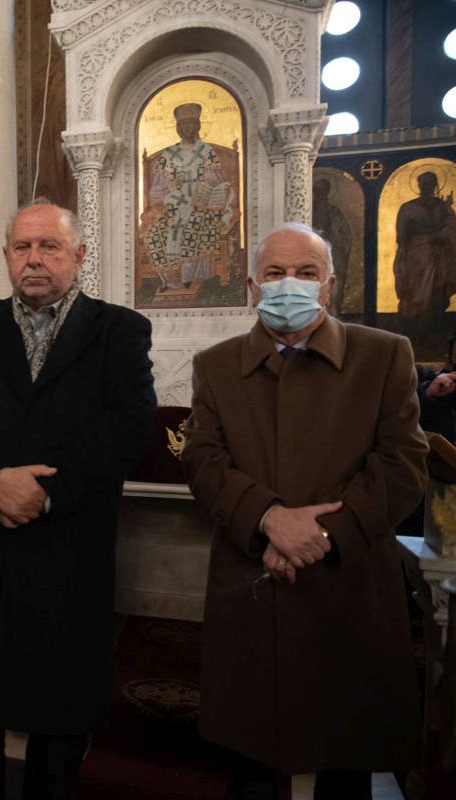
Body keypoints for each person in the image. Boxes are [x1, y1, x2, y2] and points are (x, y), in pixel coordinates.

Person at [0, 200, 156, 799]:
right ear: (6, 257)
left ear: (79, 255)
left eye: (49, 246)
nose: (35, 259)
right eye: (22, 248)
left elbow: (129, 427)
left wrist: (45, 492)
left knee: (58, 728)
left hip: (65, 552)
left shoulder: (118, 330)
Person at [181, 222, 427, 800]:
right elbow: (203, 462)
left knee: (344, 758)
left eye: (306, 272)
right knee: (251, 762)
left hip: (348, 583)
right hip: (253, 582)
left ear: (329, 286)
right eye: (275, 272)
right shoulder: (216, 365)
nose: (289, 283)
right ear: (252, 286)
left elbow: (403, 465)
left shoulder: (384, 355)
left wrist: (319, 533)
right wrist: (269, 519)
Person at [142, 102, 234, 293]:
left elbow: (220, 180)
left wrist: (204, 183)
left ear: (198, 125)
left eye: (190, 123)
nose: (186, 128)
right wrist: (170, 188)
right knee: (154, 234)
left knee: (193, 227)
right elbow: (156, 188)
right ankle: (170, 280)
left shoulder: (206, 151)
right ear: (177, 127)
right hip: (173, 206)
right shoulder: (168, 154)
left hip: (202, 205)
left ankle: (192, 278)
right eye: (182, 124)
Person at [393, 171, 456, 319]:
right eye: (423, 184)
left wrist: (448, 211)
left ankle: (434, 316)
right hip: (416, 255)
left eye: (429, 184)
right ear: (419, 185)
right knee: (414, 287)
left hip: (439, 255)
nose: (426, 187)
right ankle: (415, 317)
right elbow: (401, 235)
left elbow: (453, 228)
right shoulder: (408, 207)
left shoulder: (443, 206)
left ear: (435, 185)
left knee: (437, 288)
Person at [311, 178, 352, 315]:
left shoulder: (334, 213)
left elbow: (344, 236)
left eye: (323, 191)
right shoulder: (308, 211)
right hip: (313, 254)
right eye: (318, 191)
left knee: (333, 286)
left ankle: (334, 313)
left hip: (333, 254)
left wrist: (332, 237)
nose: (320, 194)